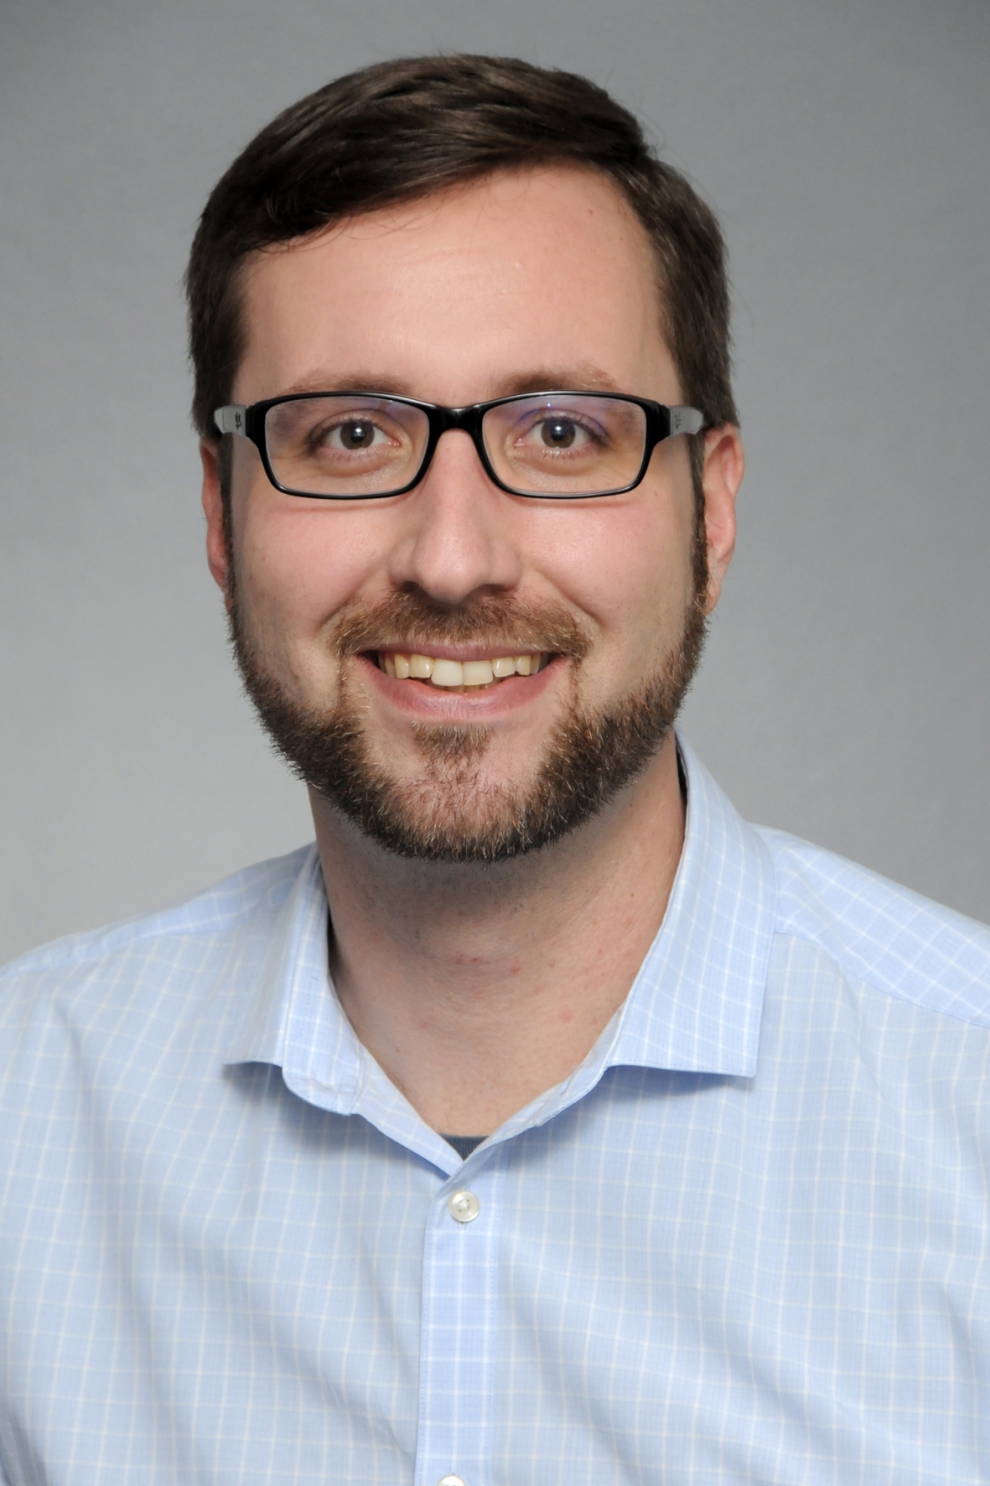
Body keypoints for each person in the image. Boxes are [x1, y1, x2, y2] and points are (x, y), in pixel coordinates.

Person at [1, 52, 988, 1486]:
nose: (454, 559)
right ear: (221, 512)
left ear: (710, 510)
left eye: (561, 433)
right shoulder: (25, 1112)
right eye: (350, 436)